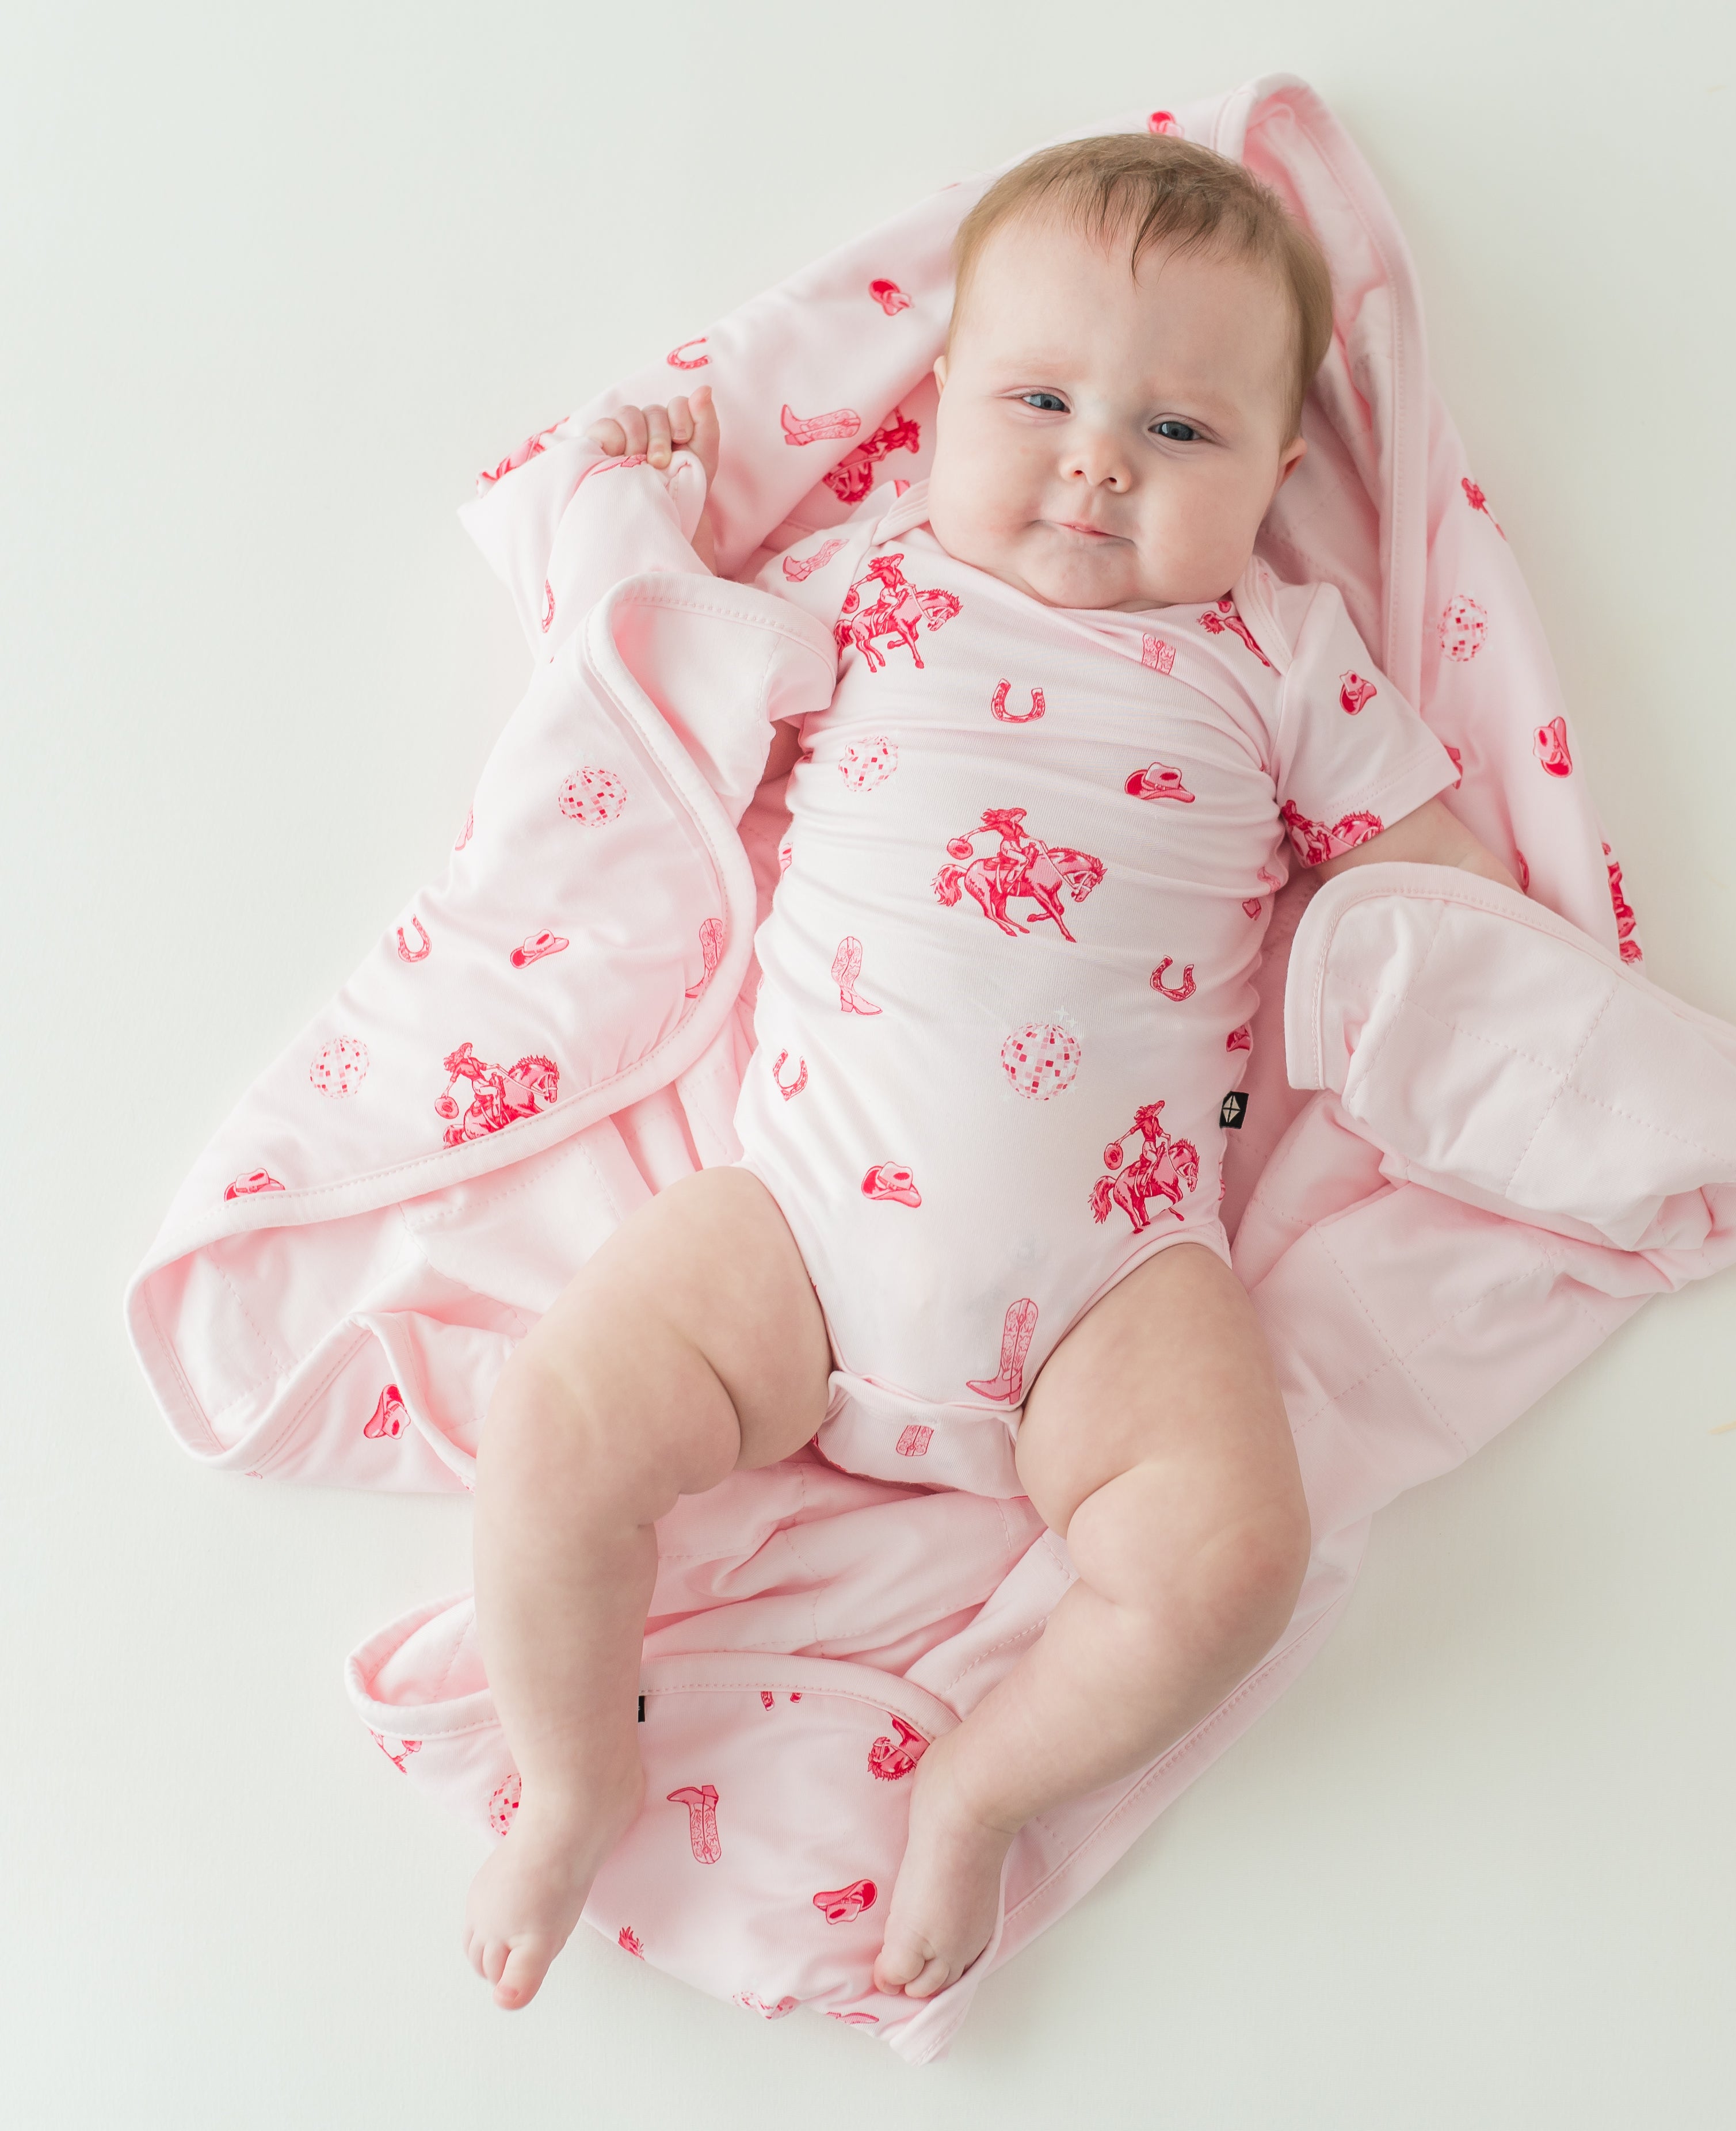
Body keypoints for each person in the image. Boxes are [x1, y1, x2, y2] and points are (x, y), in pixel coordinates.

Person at [463, 131, 1518, 2013]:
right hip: (795, 1236)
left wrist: (1487, 984)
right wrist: (628, 502)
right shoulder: (874, 585)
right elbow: (657, 662)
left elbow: (1438, 887)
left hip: (1113, 1282)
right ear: (939, 404)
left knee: (1231, 1561)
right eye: (1039, 402)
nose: (1099, 460)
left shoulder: (1285, 655)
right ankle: (569, 1775)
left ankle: (979, 1788)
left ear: (1281, 472)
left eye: (1179, 432)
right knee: (550, 1423)